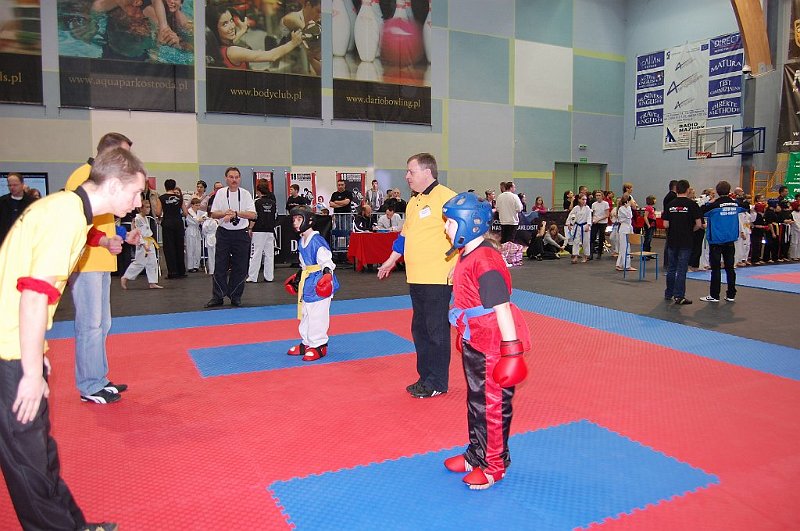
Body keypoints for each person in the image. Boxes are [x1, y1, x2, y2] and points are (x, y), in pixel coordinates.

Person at [0, 146, 145, 531]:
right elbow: (33, 296)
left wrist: (36, 352)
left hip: (14, 342)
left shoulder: (68, 210)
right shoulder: (66, 218)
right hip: (7, 348)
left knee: (37, 454)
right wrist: (31, 370)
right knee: (29, 459)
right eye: (135, 193)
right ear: (113, 185)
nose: (137, 203)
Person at [438, 192, 530, 489]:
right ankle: (476, 454)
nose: (446, 228)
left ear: (469, 224)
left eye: (450, 223)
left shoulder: (487, 260)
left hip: (492, 344)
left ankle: (494, 465)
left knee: (491, 404)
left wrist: (512, 353)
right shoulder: (469, 252)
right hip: (475, 337)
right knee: (477, 401)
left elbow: (501, 307)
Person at [66, 132, 138, 405]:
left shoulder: (105, 179)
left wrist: (123, 234)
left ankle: (98, 378)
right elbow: (77, 223)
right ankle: (89, 384)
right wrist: (105, 240)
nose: (126, 161)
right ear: (108, 153)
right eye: (123, 155)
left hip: (102, 260)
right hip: (86, 261)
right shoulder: (83, 177)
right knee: (90, 324)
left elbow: (104, 222)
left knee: (102, 324)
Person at [378, 153, 456, 399]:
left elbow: (464, 233)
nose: (407, 176)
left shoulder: (447, 198)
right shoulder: (413, 202)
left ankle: (437, 382)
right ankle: (425, 378)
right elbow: (405, 236)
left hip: (438, 276)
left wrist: (461, 264)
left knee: (436, 331)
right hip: (416, 276)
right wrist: (391, 260)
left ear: (427, 172)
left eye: (411, 171)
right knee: (420, 330)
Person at [283, 206, 339, 361]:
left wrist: (326, 277)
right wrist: (298, 277)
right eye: (294, 219)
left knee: (317, 315)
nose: (295, 222)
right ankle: (307, 342)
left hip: (320, 281)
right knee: (306, 313)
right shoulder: (302, 240)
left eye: (299, 219)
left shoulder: (317, 241)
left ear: (309, 221)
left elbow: (327, 262)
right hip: (308, 281)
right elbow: (304, 265)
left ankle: (319, 345)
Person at [206, 167, 256, 308]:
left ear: (240, 179)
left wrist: (236, 213)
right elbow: (213, 214)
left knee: (241, 266)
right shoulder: (221, 193)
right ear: (226, 178)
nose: (234, 180)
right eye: (231, 177)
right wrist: (225, 214)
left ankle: (235, 295)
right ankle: (218, 296)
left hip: (241, 233)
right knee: (220, 265)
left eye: (236, 177)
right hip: (224, 233)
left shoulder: (245, 194)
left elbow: (253, 215)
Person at [206, 5, 304, 70]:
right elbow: (272, 56)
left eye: (231, 20)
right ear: (214, 29)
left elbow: (231, 43)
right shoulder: (233, 51)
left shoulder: (215, 47)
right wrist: (293, 43)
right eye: (224, 24)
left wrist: (242, 30)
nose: (232, 26)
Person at [700, 180, 747, 303]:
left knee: (715, 269)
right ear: (729, 190)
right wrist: (737, 198)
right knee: (730, 268)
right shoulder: (735, 204)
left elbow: (701, 211)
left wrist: (707, 201)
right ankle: (731, 294)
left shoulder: (714, 205)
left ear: (717, 191)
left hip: (716, 240)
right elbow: (746, 207)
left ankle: (714, 295)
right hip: (730, 239)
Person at [662, 180, 702, 305]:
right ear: (687, 190)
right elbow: (699, 224)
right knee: (682, 269)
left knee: (671, 268)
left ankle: (669, 293)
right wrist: (690, 230)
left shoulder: (670, 204)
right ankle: (679, 296)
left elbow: (665, 224)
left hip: (672, 240)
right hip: (686, 240)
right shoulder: (692, 204)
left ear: (676, 189)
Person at [121, 199, 164, 289]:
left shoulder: (145, 218)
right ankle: (125, 277)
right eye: (146, 207)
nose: (148, 209)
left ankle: (152, 282)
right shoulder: (137, 219)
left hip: (149, 241)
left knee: (152, 262)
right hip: (142, 244)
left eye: (149, 207)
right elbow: (137, 233)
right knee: (139, 263)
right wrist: (143, 244)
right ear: (141, 208)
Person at [280, 0, 322, 75]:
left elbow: (321, 71)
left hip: (306, 73)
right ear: (308, 4)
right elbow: (289, 19)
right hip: (285, 71)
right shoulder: (294, 17)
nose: (320, 16)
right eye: (318, 11)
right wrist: (308, 32)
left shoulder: (319, 25)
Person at [247, 179, 277, 282]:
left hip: (258, 231)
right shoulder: (273, 203)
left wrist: (250, 228)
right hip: (270, 230)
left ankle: (253, 277)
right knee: (269, 255)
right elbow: (275, 216)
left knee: (256, 254)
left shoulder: (256, 202)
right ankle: (269, 277)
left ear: (258, 191)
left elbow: (254, 217)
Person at [160, 178, 188, 279]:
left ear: (165, 187)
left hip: (167, 223)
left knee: (169, 247)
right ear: (174, 186)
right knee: (179, 246)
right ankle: (181, 271)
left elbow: (158, 212)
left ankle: (172, 272)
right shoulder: (179, 198)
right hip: (178, 223)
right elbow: (185, 212)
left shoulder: (161, 198)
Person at [0, 172, 34, 246]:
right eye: (9, 185)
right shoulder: (2, 202)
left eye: (15, 185)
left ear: (22, 184)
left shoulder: (32, 203)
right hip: (5, 242)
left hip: (26, 241)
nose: (12, 188)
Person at [566, 193, 592, 263]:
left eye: (585, 199)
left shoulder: (587, 208)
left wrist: (588, 225)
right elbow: (570, 215)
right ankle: (575, 256)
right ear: (579, 200)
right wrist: (568, 224)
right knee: (576, 241)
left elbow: (589, 217)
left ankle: (585, 256)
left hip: (585, 226)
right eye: (583, 199)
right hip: (577, 226)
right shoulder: (576, 208)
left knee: (586, 242)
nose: (584, 201)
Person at [185, 197, 206, 272]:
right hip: (190, 230)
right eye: (196, 205)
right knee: (190, 248)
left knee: (197, 249)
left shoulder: (199, 212)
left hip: (197, 230)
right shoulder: (189, 211)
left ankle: (196, 265)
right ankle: (190, 266)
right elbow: (196, 220)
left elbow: (205, 214)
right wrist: (200, 219)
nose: (198, 207)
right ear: (192, 205)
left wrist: (202, 218)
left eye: (199, 205)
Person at [615, 196, 636, 272]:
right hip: (624, 229)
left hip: (627, 228)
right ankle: (626, 265)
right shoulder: (622, 208)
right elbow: (629, 216)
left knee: (625, 247)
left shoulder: (627, 208)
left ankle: (620, 264)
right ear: (627, 202)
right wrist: (628, 208)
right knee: (625, 247)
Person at [590, 190, 609, 259]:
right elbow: (593, 213)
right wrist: (592, 220)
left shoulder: (605, 204)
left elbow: (607, 215)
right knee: (592, 237)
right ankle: (591, 253)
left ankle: (599, 253)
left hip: (603, 223)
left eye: (599, 195)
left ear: (602, 196)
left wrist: (599, 219)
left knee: (601, 237)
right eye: (596, 195)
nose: (598, 197)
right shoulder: (594, 204)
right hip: (595, 222)